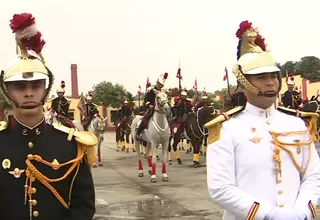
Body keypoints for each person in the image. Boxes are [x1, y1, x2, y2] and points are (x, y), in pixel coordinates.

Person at [205, 20, 320, 220]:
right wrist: (270, 215)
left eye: (273, 76)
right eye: (260, 77)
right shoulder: (226, 128)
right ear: (243, 84)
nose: (270, 81)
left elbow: (313, 176)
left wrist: (301, 212)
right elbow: (220, 188)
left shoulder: (298, 123)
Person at [0, 13, 97, 220]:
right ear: (7, 91)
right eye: (19, 87)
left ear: (46, 89)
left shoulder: (72, 144)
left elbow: (84, 205)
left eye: (36, 85)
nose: (28, 92)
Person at [135, 72, 168, 139]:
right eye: (159, 84)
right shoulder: (151, 90)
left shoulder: (163, 92)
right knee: (145, 117)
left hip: (161, 108)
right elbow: (146, 99)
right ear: (157, 82)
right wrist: (149, 105)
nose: (160, 86)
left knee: (168, 117)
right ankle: (138, 132)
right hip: (152, 107)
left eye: (162, 85)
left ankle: (169, 133)